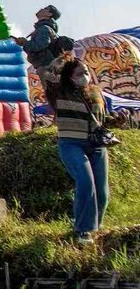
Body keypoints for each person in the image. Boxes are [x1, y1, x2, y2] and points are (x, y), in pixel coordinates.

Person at [51, 58, 111, 244]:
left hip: (96, 144)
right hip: (71, 143)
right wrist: (57, 62)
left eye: (86, 72)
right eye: (79, 74)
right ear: (69, 77)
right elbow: (48, 75)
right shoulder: (60, 92)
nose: (84, 76)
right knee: (86, 182)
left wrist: (115, 120)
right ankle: (83, 230)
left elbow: (102, 118)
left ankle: (94, 226)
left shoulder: (96, 92)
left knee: (102, 192)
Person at [14, 5, 71, 102]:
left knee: (55, 95)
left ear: (49, 14)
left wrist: (25, 43)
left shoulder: (44, 28)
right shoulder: (45, 28)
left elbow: (40, 45)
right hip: (49, 66)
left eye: (45, 9)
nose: (40, 9)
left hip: (46, 65)